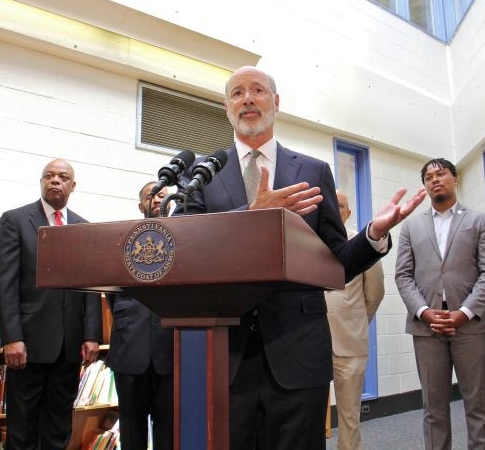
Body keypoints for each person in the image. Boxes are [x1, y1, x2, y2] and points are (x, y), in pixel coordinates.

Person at [176, 65, 426, 450]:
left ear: (275, 102)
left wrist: (373, 234)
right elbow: (185, 252)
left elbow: (337, 262)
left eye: (257, 90)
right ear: (226, 107)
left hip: (298, 347)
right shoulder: (204, 174)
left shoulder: (312, 170)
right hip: (227, 352)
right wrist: (251, 217)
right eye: (237, 92)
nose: (247, 99)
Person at [0, 158, 103, 450]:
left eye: (63, 177)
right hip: (27, 345)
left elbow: (91, 285)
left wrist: (92, 334)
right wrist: (12, 337)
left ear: (73, 185)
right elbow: (5, 284)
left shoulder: (83, 227)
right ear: (41, 182)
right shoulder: (16, 220)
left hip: (69, 346)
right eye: (49, 176)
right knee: (23, 428)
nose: (55, 180)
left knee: (58, 428)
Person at [395, 158, 485, 450]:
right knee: (433, 408)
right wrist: (425, 312)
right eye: (428, 177)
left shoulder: (479, 220)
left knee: (478, 406)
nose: (434, 179)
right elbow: (403, 276)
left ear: (454, 179)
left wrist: (465, 312)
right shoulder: (410, 227)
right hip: (426, 329)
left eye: (440, 174)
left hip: (471, 326)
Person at [105, 181, 173, 450]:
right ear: (140, 205)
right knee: (131, 431)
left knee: (168, 431)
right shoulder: (123, 240)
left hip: (169, 354)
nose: (157, 199)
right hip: (129, 349)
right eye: (151, 196)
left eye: (163, 196)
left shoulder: (183, 241)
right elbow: (112, 292)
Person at [325, 190, 384, 450]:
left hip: (349, 343)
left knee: (349, 418)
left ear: (348, 212)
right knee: (307, 416)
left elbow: (375, 294)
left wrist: (357, 320)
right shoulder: (308, 242)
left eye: (340, 205)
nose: (335, 209)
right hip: (310, 344)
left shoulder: (362, 245)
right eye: (330, 204)